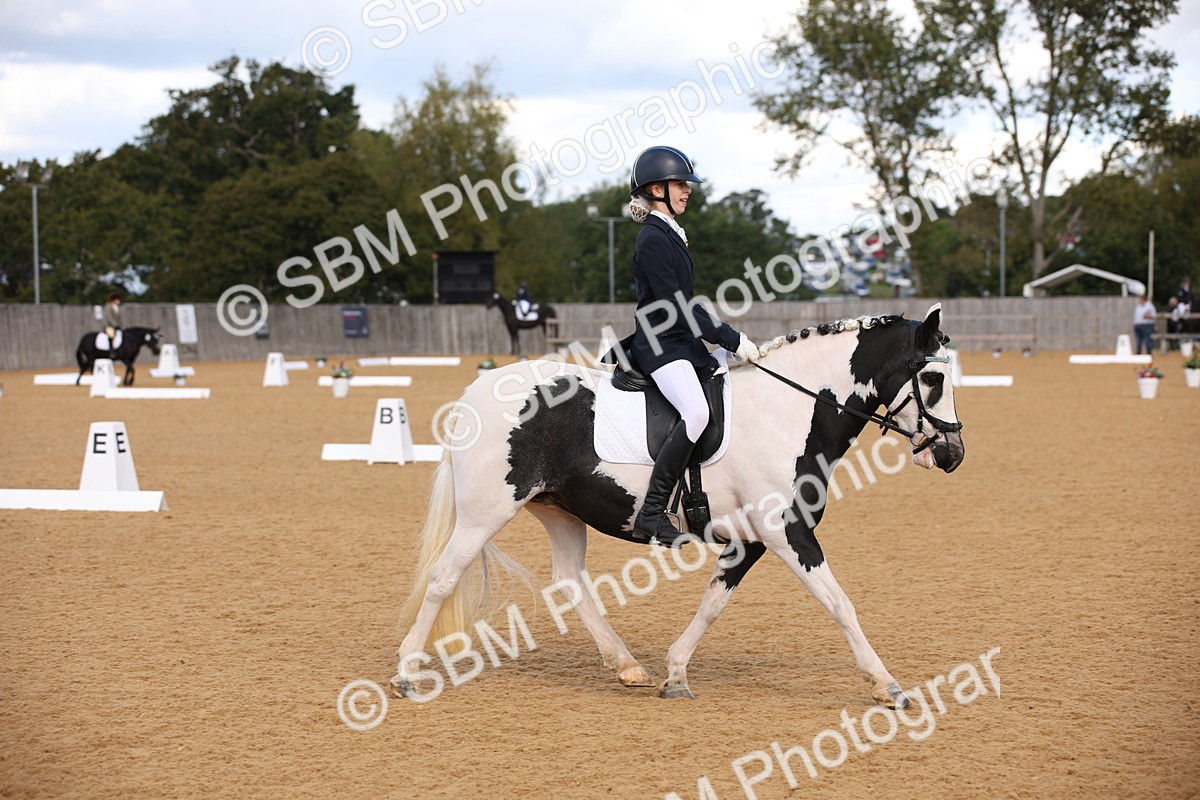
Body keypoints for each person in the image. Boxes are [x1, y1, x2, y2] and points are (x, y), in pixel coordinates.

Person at [625, 145, 761, 547]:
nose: (687, 191)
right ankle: (652, 512)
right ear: (655, 189)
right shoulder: (652, 238)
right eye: (680, 184)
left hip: (680, 342)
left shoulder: (671, 233)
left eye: (686, 184)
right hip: (659, 345)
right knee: (697, 412)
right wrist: (731, 338)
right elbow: (676, 306)